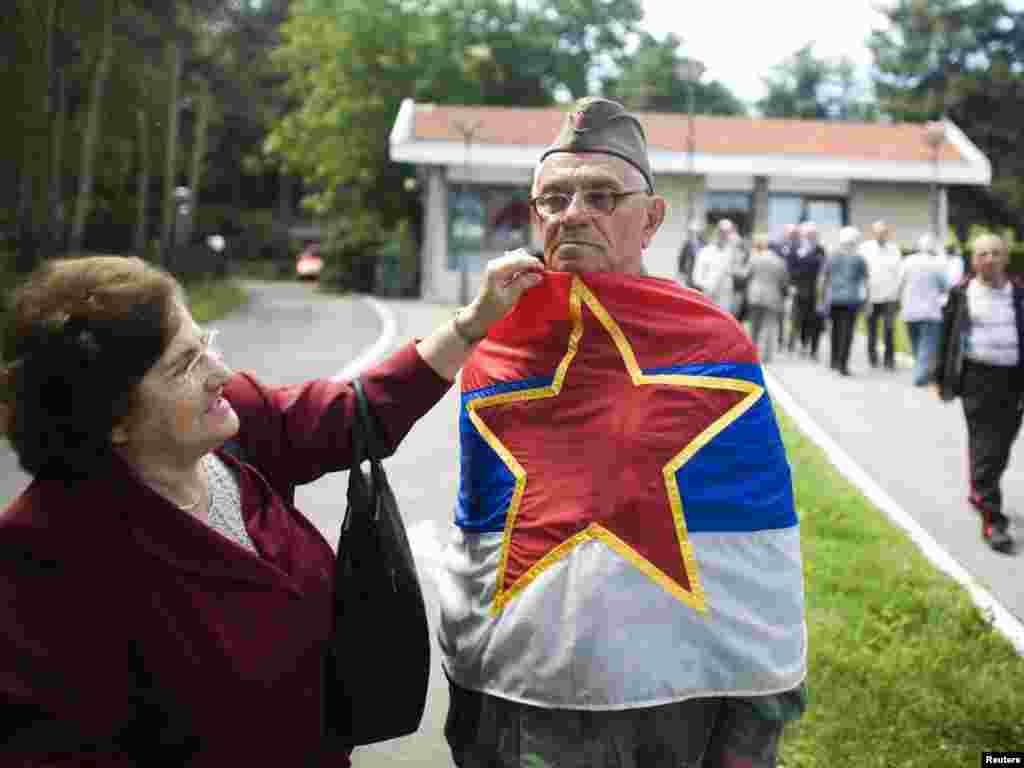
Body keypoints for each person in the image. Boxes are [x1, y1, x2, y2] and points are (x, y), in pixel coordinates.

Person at [0, 252, 541, 764]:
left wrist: (474, 323)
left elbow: (358, 412)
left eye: (204, 343)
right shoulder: (46, 555)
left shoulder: (235, 431)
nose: (219, 370)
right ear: (111, 416)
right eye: (185, 364)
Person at [440, 97, 806, 768]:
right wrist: (472, 677)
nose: (574, 212)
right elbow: (482, 530)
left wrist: (754, 715)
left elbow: (755, 543)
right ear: (535, 213)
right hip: (530, 690)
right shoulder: (495, 346)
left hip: (678, 696)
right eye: (554, 198)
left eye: (602, 196)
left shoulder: (712, 344)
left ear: (652, 218)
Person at [934, 233, 1022, 553]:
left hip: (1014, 380)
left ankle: (980, 491)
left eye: (995, 253)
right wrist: (941, 378)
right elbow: (946, 338)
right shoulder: (961, 294)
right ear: (974, 260)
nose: (989, 259)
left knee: (1002, 445)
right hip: (977, 379)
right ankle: (992, 520)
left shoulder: (1019, 293)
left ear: (1005, 258)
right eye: (982, 254)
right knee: (986, 445)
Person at [899, 233, 949, 386]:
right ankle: (920, 376)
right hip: (930, 311)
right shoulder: (936, 264)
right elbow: (944, 287)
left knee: (915, 343)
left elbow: (900, 282)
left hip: (909, 310)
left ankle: (921, 371)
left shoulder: (907, 261)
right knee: (927, 344)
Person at [821, 225, 870, 376]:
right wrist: (867, 300)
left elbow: (824, 279)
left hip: (834, 298)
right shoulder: (859, 259)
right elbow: (865, 281)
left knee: (834, 330)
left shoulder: (832, 256)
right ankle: (843, 364)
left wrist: (822, 298)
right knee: (847, 332)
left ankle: (834, 360)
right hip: (851, 299)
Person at [860, 220, 903, 370]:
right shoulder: (865, 248)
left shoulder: (894, 249)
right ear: (873, 233)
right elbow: (861, 273)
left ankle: (889, 360)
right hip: (871, 297)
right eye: (878, 232)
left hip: (890, 297)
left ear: (887, 233)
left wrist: (898, 296)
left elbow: (899, 274)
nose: (881, 235)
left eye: (884, 232)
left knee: (889, 329)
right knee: (871, 330)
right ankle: (872, 358)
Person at [745, 232, 790, 364]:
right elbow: (784, 282)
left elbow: (747, 274)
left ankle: (751, 353)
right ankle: (766, 356)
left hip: (755, 296)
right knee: (769, 327)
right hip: (772, 297)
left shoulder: (755, 259)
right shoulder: (780, 262)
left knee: (754, 326)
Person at [786, 222, 826, 359]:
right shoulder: (796, 249)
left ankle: (814, 349)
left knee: (816, 321)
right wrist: (792, 285)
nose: (811, 236)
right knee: (801, 320)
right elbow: (791, 269)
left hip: (816, 291)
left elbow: (823, 268)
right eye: (808, 234)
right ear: (803, 235)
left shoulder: (820, 249)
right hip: (800, 291)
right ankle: (803, 345)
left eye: (813, 234)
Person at [693, 218, 743, 313]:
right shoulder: (706, 251)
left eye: (728, 232)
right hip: (708, 296)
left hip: (725, 297)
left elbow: (738, 271)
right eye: (722, 232)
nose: (725, 235)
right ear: (718, 232)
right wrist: (706, 286)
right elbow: (696, 276)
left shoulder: (733, 253)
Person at [772, 224, 802, 348]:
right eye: (790, 232)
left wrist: (794, 284)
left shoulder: (800, 248)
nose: (791, 235)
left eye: (794, 233)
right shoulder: (778, 247)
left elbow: (800, 267)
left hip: (793, 286)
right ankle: (779, 340)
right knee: (780, 315)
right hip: (779, 286)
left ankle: (791, 341)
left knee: (793, 315)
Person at [678, 221, 705, 288]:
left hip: (701, 277)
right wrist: (682, 272)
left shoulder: (704, 244)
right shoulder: (687, 245)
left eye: (695, 232)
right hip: (690, 276)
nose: (693, 234)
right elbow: (682, 259)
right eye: (691, 232)